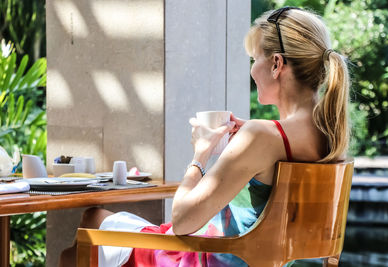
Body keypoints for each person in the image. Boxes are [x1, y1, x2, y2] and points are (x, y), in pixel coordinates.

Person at [59, 6, 350, 267]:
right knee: (95, 225)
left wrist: (200, 153)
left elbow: (184, 221)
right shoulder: (329, 136)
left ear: (276, 64)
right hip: (263, 260)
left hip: (211, 257)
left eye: (254, 59)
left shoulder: (262, 135)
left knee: (90, 225)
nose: (252, 70)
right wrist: (250, 138)